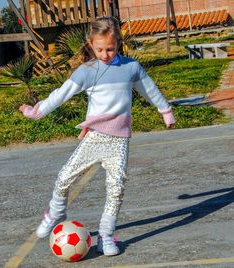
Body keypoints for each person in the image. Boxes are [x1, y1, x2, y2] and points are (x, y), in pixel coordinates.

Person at [18, 16, 175, 256]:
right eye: (99, 49)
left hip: (119, 140)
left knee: (116, 188)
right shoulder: (86, 71)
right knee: (63, 178)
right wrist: (36, 111)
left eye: (110, 49)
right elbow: (61, 94)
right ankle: (56, 213)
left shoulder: (130, 68)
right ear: (91, 43)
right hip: (94, 138)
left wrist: (165, 111)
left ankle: (106, 236)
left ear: (119, 43)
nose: (105, 54)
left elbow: (150, 89)